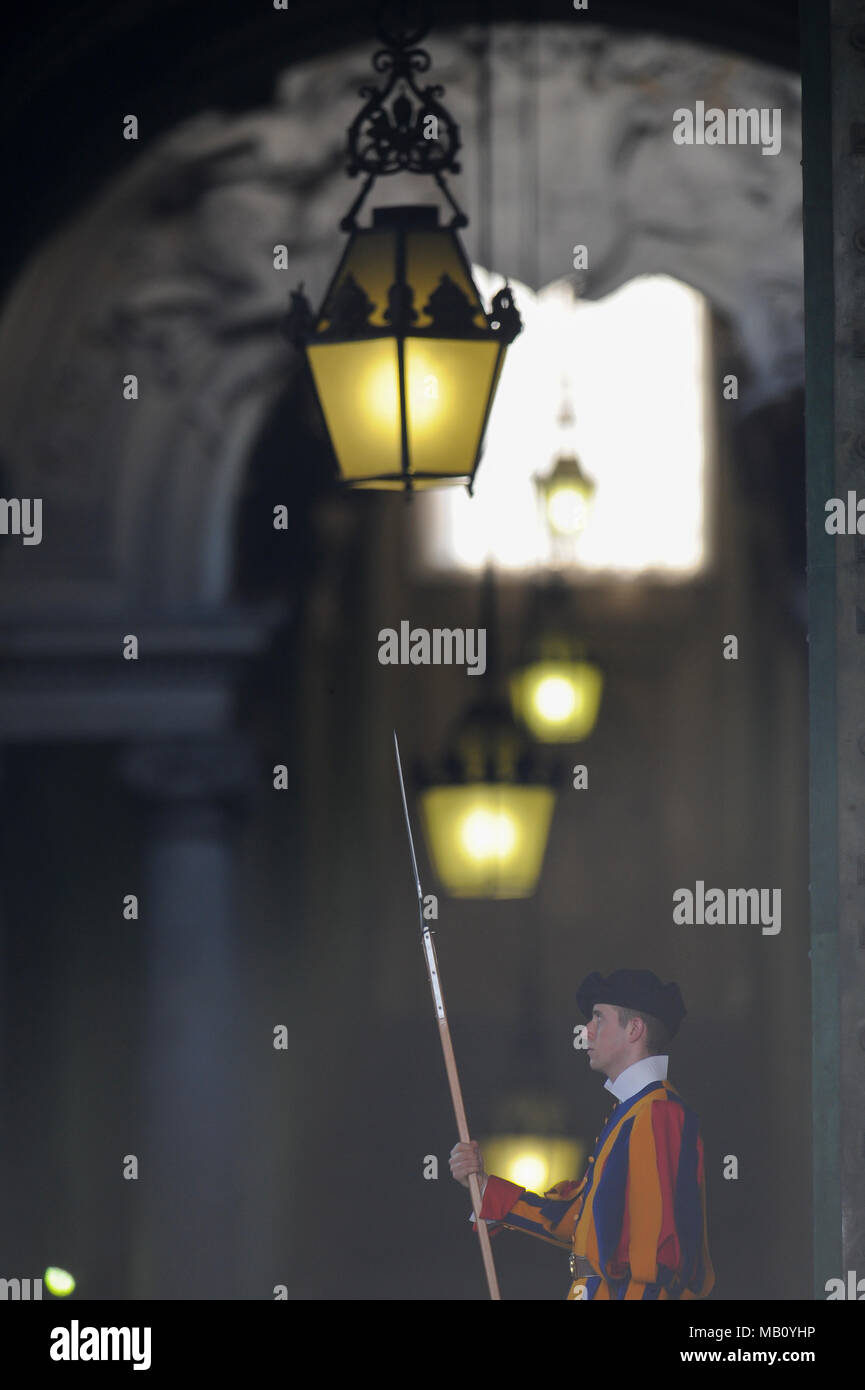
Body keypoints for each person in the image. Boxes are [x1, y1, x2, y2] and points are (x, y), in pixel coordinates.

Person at [450, 969, 714, 1300]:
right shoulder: (631, 1114)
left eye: (599, 1019)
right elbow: (579, 1220)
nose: (586, 1031)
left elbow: (657, 1259)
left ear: (634, 1029)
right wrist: (483, 1185)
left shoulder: (657, 1113)